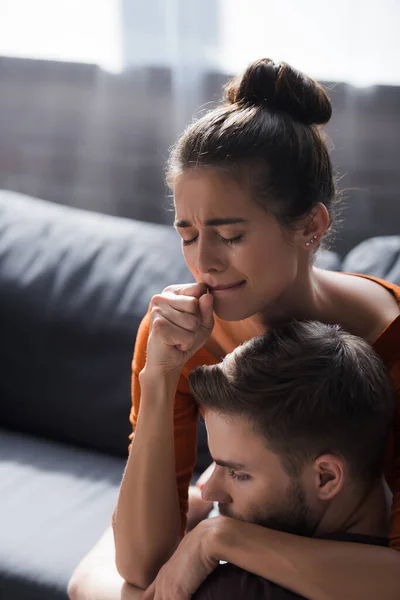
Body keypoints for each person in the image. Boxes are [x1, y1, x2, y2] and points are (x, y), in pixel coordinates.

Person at [68, 58, 400, 600]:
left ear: (311, 227)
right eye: (188, 233)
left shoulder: (391, 340)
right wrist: (159, 378)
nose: (204, 262)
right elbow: (142, 563)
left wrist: (219, 537)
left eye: (230, 234)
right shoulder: (179, 331)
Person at [148, 320, 395, 600]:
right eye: (216, 464)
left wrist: (107, 549)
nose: (209, 490)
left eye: (238, 474)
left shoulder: (238, 589)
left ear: (326, 477)